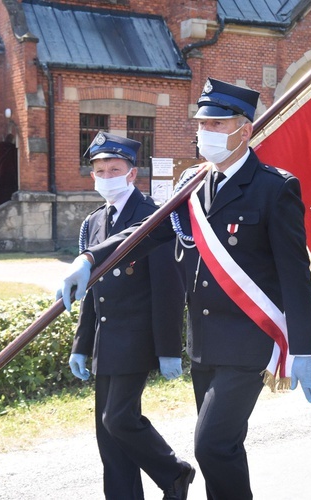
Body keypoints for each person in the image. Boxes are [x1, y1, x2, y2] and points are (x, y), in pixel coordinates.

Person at [59, 78, 311, 500]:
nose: (207, 132)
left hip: (250, 338)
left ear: (246, 129)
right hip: (204, 340)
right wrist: (91, 258)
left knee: (212, 445)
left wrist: (306, 349)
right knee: (224, 448)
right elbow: (148, 232)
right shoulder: (194, 181)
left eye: (218, 124)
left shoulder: (274, 188)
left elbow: (294, 273)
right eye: (202, 123)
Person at [68, 132, 192, 499]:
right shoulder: (93, 222)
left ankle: (174, 472)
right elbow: (92, 289)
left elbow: (168, 287)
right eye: (100, 170)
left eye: (114, 169)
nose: (106, 176)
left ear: (132, 173)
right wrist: (81, 344)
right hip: (107, 341)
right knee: (107, 436)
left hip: (138, 337)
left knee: (118, 419)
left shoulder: (153, 216)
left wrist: (169, 347)